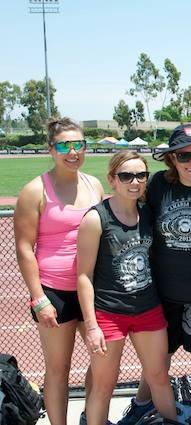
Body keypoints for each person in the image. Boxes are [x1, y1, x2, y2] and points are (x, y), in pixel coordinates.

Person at [117, 124, 191, 425]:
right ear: (171, 160)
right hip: (163, 293)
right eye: (183, 157)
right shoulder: (157, 186)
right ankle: (141, 405)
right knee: (158, 359)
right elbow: (132, 221)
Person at [14, 117, 104, 425]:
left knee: (102, 361)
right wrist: (39, 299)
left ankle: (92, 417)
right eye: (65, 145)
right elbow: (25, 248)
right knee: (58, 370)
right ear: (51, 149)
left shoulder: (93, 184)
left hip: (91, 288)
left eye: (79, 144)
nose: (73, 152)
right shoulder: (34, 190)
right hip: (55, 292)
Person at [76, 151, 177, 425]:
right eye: (126, 176)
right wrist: (92, 325)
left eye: (141, 175)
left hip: (148, 309)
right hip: (109, 314)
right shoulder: (96, 219)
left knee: (158, 377)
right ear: (112, 180)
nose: (135, 181)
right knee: (103, 385)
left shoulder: (148, 214)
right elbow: (83, 275)